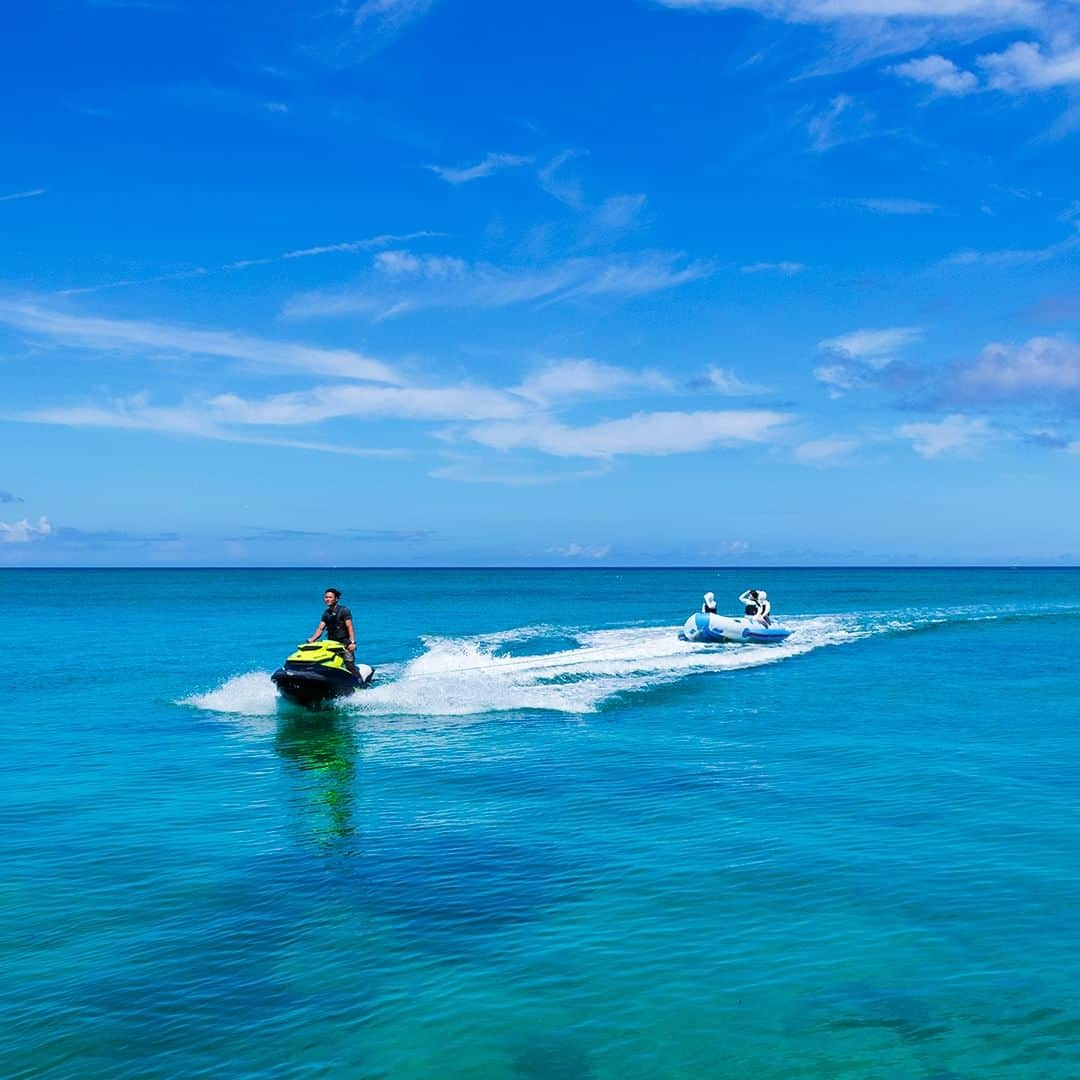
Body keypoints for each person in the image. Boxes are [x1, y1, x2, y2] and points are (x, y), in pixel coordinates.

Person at [309, 588, 358, 672]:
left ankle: (359, 682)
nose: (327, 599)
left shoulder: (344, 610)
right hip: (331, 643)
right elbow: (320, 628)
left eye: (330, 597)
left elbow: (350, 626)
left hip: (344, 643)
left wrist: (352, 642)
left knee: (349, 665)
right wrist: (312, 639)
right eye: (326, 597)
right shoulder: (326, 613)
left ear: (337, 599)